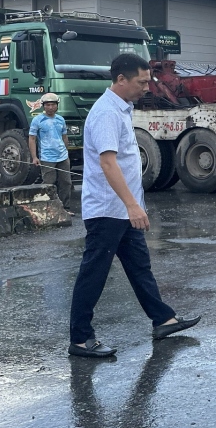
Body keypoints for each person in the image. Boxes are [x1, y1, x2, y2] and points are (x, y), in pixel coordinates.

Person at [69, 54, 199, 358]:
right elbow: (107, 162)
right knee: (94, 273)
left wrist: (134, 206)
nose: (147, 87)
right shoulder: (106, 113)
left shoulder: (122, 109)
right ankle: (80, 338)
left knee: (140, 266)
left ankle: (163, 319)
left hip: (123, 210)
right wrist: (132, 205)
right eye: (141, 82)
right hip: (107, 210)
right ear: (121, 80)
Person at [29, 92, 72, 212]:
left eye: (53, 104)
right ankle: (48, 209)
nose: (50, 107)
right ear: (43, 106)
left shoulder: (60, 119)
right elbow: (32, 139)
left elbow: (64, 137)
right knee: (49, 183)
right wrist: (34, 157)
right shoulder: (37, 120)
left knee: (66, 183)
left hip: (62, 156)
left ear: (57, 105)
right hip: (47, 157)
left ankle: (65, 208)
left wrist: (66, 152)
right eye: (48, 105)